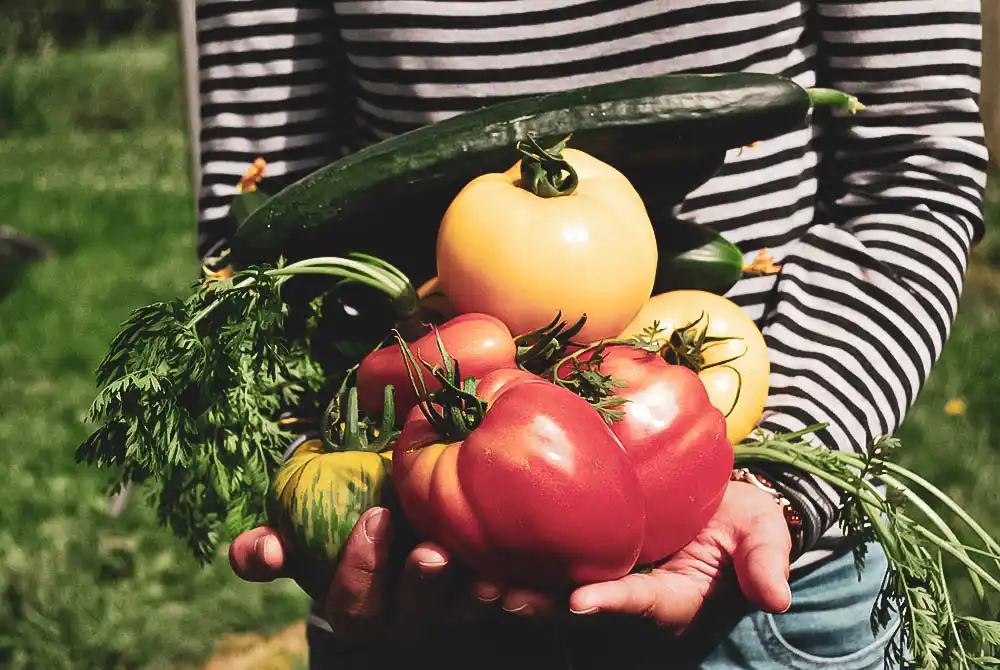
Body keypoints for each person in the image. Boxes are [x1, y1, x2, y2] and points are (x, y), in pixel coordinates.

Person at [194, 1, 989, 668]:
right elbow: (260, 230)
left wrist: (781, 483)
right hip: (415, 562)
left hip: (763, 582)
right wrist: (321, 491)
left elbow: (915, 168)